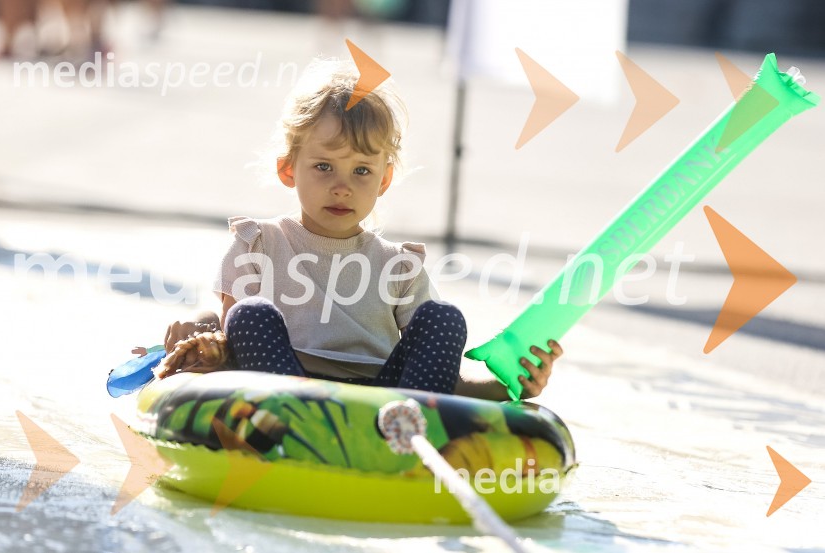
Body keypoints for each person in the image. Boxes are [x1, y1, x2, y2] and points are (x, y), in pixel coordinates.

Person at [162, 60, 561, 400]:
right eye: (323, 167)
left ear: (384, 180)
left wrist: (508, 384)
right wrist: (205, 337)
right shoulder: (258, 245)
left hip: (383, 405)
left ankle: (417, 427)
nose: (342, 186)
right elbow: (232, 342)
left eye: (362, 171)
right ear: (288, 169)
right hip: (284, 392)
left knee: (444, 318)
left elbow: (439, 372)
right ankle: (296, 425)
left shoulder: (399, 267)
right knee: (249, 315)